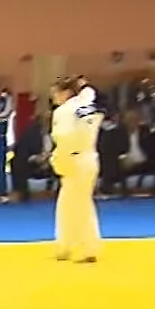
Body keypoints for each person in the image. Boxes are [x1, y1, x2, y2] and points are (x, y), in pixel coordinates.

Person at [50, 76, 105, 263]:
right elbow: (90, 92)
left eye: (56, 93)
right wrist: (83, 84)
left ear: (66, 93)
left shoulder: (64, 111)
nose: (54, 97)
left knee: (79, 206)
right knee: (68, 204)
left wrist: (58, 161)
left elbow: (65, 139)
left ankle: (88, 249)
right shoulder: (88, 103)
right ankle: (65, 246)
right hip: (89, 157)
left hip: (73, 159)